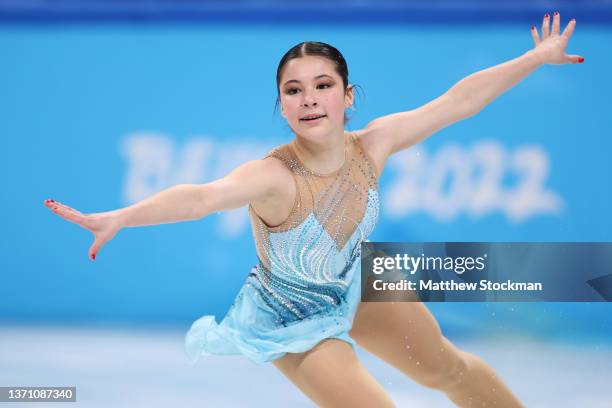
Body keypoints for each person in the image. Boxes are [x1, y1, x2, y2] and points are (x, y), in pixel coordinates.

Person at [44, 12, 582, 407]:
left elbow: (459, 102)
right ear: (281, 105)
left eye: (323, 86)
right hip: (291, 318)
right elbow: (201, 197)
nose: (309, 98)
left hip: (359, 282)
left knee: (447, 367)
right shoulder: (272, 175)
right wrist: (119, 217)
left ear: (347, 96)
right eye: (293, 90)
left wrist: (535, 58)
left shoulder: (374, 144)